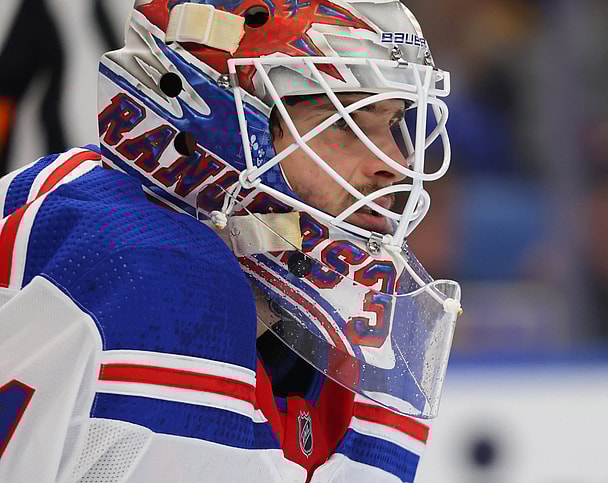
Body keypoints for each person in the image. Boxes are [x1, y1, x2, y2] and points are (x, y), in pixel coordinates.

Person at [0, 1, 461, 482]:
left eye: (393, 124)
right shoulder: (109, 261)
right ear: (225, 123)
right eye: (346, 122)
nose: (396, 164)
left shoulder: (379, 354)